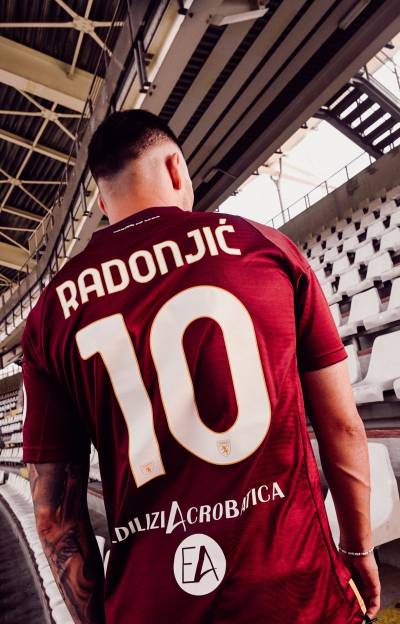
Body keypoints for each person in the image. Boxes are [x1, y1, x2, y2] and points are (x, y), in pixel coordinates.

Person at [22, 109, 380, 624]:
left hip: (153, 607)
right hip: (298, 593)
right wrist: (358, 547)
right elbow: (342, 425)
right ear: (175, 168)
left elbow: (54, 515)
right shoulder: (265, 247)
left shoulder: (51, 313)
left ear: (102, 203)